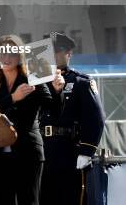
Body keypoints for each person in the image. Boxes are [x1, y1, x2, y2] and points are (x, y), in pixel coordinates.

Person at [0, 35, 62, 205]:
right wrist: (13, 98)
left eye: (12, 53)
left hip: (28, 152)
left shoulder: (33, 77)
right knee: (3, 200)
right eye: (2, 53)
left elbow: (53, 109)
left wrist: (56, 90)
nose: (7, 58)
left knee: (29, 201)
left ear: (20, 56)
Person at [39, 33, 105, 205]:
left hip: (68, 150)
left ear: (68, 53)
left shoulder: (81, 82)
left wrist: (86, 151)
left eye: (57, 51)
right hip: (42, 150)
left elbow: (95, 118)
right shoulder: (38, 82)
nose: (52, 55)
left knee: (70, 198)